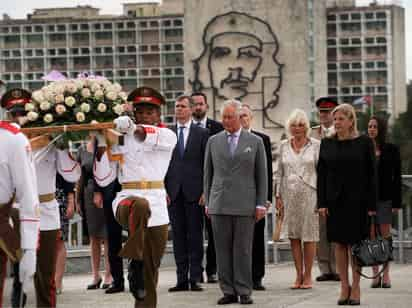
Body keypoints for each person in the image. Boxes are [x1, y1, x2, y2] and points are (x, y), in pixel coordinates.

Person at [94, 87, 177, 308]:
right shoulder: (121, 138)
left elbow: (142, 134)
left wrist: (131, 128)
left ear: (159, 114)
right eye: (140, 112)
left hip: (157, 206)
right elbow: (103, 179)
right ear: (134, 113)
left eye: (150, 112)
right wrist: (103, 144)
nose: (145, 116)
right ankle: (135, 261)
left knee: (150, 270)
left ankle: (139, 269)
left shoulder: (167, 135)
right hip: (126, 200)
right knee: (139, 205)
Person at [204, 99, 267, 305]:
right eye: (224, 117)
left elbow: (262, 175)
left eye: (230, 117)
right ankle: (228, 290)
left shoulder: (255, 142)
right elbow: (208, 173)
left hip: (245, 204)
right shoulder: (213, 141)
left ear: (240, 118)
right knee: (222, 249)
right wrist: (208, 202)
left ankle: (244, 290)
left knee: (243, 249)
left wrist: (260, 203)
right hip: (219, 203)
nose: (226, 121)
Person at [317, 103, 377, 306]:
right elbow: (322, 175)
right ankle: (344, 286)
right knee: (339, 245)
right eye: (335, 119)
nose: (336, 123)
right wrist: (322, 203)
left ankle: (357, 287)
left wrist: (372, 205)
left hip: (358, 202)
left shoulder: (364, 143)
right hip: (334, 202)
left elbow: (371, 176)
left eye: (341, 119)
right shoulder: (326, 143)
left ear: (351, 121)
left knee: (356, 246)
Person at [0, 89, 40, 308]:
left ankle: (18, 281)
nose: (18, 117)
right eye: (14, 113)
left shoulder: (15, 140)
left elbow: (28, 193)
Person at [165, 95, 209, 292]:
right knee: (178, 236)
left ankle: (195, 277)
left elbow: (207, 165)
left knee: (195, 236)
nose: (179, 109)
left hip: (195, 192)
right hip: (173, 192)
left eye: (182, 106)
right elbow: (162, 164)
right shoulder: (167, 133)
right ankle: (181, 278)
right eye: (176, 106)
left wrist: (205, 191)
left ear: (191, 110)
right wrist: (163, 190)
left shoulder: (202, 133)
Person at [275, 109, 320, 289]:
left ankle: (308, 276)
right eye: (294, 125)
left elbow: (322, 172)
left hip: (310, 194)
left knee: (309, 236)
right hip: (289, 195)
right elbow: (279, 173)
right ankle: (298, 275)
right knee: (293, 236)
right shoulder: (284, 145)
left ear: (306, 127)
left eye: (301, 125)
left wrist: (323, 199)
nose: (297, 128)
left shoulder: (316, 145)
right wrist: (278, 195)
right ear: (289, 127)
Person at [239, 104, 273, 291]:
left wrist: (266, 198)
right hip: (237, 197)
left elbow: (266, 170)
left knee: (257, 238)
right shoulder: (230, 140)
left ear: (251, 117)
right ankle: (241, 277)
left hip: (256, 197)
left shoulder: (262, 139)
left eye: (245, 115)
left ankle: (257, 277)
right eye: (239, 116)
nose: (242, 119)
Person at [191, 92, 223, 283]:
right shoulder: (184, 130)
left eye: (201, 104)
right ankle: (195, 271)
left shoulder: (217, 128)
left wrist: (208, 190)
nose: (198, 107)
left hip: (212, 190)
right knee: (194, 233)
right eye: (194, 104)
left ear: (206, 106)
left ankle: (212, 270)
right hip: (190, 190)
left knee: (214, 233)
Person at [367, 116, 402, 289]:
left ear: (381, 129)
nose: (371, 129)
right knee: (371, 237)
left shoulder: (392, 149)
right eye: (369, 126)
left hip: (385, 199)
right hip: (368, 200)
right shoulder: (363, 148)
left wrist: (397, 202)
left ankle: (386, 274)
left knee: (385, 237)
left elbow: (397, 178)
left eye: (375, 126)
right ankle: (375, 274)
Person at [311, 96, 340, 282]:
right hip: (316, 185)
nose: (324, 115)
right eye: (321, 112)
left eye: (327, 112)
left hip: (336, 185)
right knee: (321, 229)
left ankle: (337, 267)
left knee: (337, 227)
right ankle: (324, 268)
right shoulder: (312, 133)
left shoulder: (341, 132)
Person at [77, 142, 112, 290]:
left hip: (106, 190)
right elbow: (80, 176)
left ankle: (109, 274)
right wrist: (78, 199)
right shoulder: (82, 149)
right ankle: (95, 275)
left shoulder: (106, 143)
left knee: (106, 235)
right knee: (93, 236)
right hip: (88, 193)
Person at [54, 174, 76, 295]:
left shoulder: (59, 154)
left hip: (59, 197)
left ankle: (57, 282)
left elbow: (68, 177)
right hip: (36, 197)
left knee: (59, 240)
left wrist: (71, 202)